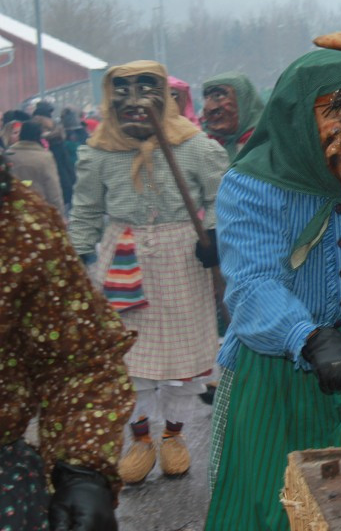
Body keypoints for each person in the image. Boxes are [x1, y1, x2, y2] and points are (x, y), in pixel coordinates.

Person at [205, 49, 341, 531]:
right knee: (279, 508)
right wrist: (308, 336)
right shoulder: (251, 185)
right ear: (302, 116)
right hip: (279, 373)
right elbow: (252, 285)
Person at [68, 60, 230, 485]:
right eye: (122, 90)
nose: (134, 101)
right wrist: (77, 261)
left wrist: (213, 234)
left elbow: (220, 196)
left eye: (145, 88)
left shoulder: (194, 146)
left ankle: (173, 438)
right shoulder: (99, 150)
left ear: (165, 93)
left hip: (182, 259)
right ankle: (140, 441)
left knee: (179, 363)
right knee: (129, 361)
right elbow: (84, 210)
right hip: (122, 261)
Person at [1, 155, 136, 531]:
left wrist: (82, 469)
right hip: (118, 257)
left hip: (150, 265)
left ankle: (164, 435)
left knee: (166, 367)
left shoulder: (19, 226)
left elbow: (82, 361)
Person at [201, 71, 265, 160]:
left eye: (218, 96)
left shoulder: (267, 142)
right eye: (206, 99)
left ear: (243, 100)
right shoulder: (203, 146)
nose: (210, 108)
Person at [4, 120, 64, 211]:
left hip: (13, 209)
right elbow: (53, 188)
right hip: (38, 209)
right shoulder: (45, 157)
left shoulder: (7, 155)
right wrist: (59, 214)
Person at [32, 100, 77, 210]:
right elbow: (68, 166)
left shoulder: (39, 143)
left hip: (48, 189)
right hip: (64, 185)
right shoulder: (57, 138)